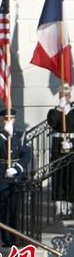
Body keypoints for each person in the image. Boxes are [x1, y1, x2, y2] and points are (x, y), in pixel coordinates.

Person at [0, 108, 32, 247]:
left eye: (11, 118)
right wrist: (4, 133)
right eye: (5, 119)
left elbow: (27, 155)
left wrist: (16, 168)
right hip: (2, 173)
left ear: (14, 119)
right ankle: (6, 238)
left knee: (15, 206)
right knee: (4, 206)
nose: (8, 121)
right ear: (1, 121)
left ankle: (15, 236)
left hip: (15, 174)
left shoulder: (21, 135)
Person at [46, 84, 74, 216]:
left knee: (70, 176)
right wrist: (60, 108)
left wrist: (72, 144)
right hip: (58, 145)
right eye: (62, 95)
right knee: (58, 175)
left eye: (67, 95)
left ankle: (69, 205)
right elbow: (52, 122)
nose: (65, 97)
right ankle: (59, 205)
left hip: (72, 145)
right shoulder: (54, 112)